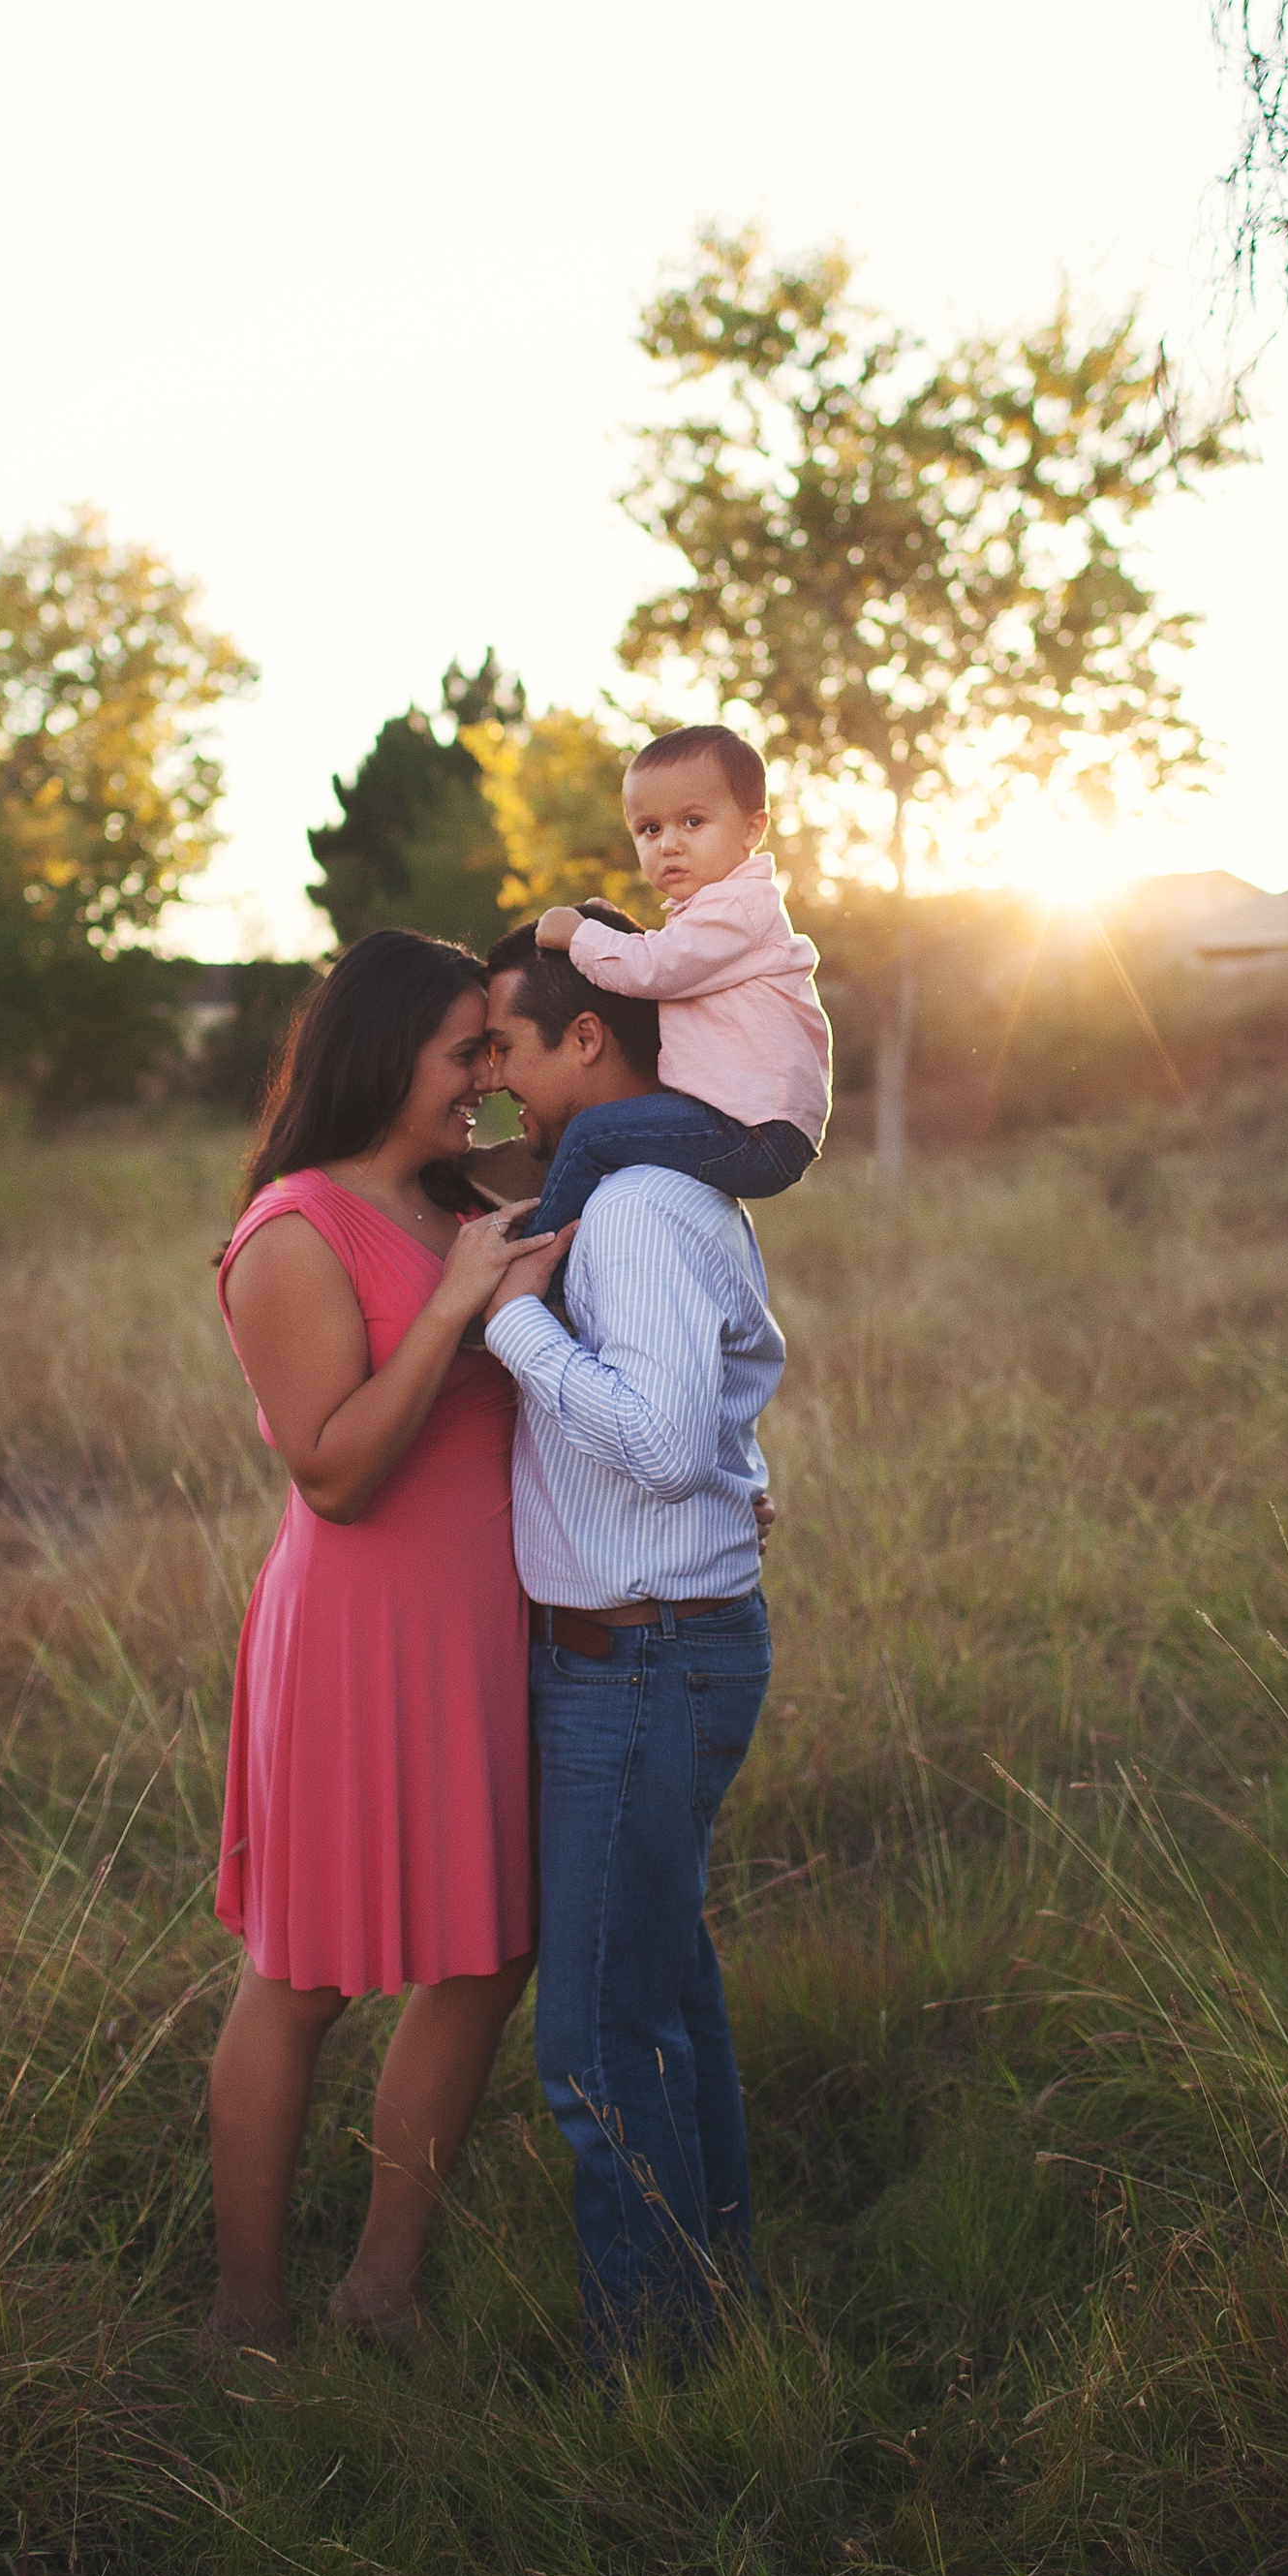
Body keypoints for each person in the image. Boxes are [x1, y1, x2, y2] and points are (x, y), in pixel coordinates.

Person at [205, 929, 567, 2360]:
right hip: (357, 1637)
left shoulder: (464, 1198)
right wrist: (456, 1311)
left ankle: (381, 2281)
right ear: (381, 1055)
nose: (487, 1077)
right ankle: (245, 2309)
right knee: (301, 1974)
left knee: (483, 1954)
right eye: (463, 1052)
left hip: (485, 1632)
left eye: (496, 1047)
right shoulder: (293, 1229)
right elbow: (336, 1473)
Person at [478, 915, 785, 2366]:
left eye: (508, 1049)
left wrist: (513, 1330)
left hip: (643, 1660)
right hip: (657, 1646)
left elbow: (661, 1443)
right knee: (660, 1993)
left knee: (597, 2042)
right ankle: (712, 2307)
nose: (497, 1083)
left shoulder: (646, 1204)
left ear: (587, 1035)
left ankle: (654, 2378)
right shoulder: (646, 1191)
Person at [516, 722, 831, 1241]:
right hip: (745, 1120)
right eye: (650, 829)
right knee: (611, 1136)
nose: (669, 845)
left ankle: (536, 1265)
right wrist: (606, 926)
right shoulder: (711, 915)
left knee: (591, 1134)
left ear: (753, 830)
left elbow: (655, 968)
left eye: (692, 821)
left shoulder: (740, 909)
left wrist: (579, 936)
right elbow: (671, 959)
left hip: (755, 1129)